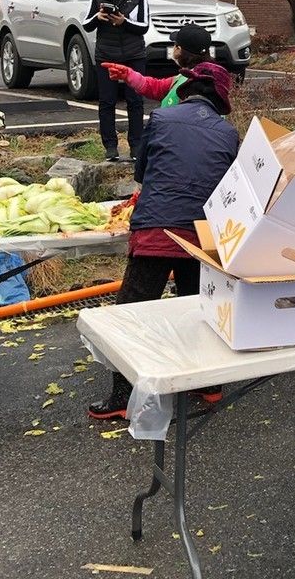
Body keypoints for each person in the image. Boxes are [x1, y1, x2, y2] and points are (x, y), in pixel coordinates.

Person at [88, 62, 239, 420]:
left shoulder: (162, 120)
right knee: (197, 309)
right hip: (201, 236)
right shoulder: (228, 133)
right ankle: (207, 383)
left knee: (131, 313)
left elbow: (142, 172)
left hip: (156, 228)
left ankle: (123, 395)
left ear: (186, 93)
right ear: (218, 100)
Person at [81, 0, 149, 161]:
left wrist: (124, 22)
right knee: (107, 101)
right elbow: (86, 24)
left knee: (135, 101)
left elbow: (144, 26)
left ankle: (136, 145)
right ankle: (110, 146)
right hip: (106, 54)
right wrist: (98, 17)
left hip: (133, 54)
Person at [101, 23, 212, 108]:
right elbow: (158, 87)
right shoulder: (206, 77)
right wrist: (129, 75)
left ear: (179, 49)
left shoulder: (195, 85)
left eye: (175, 44)